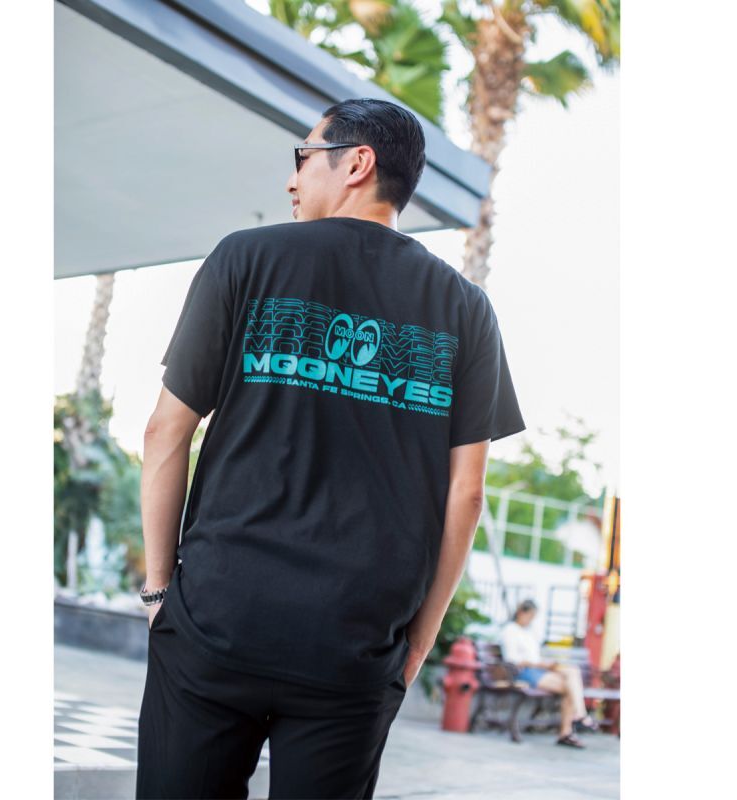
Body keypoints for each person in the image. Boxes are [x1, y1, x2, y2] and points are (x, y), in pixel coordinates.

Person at [136, 97, 526, 799]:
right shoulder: (465, 308)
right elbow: (466, 495)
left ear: (356, 163)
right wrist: (417, 643)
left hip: (219, 618)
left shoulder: (246, 259)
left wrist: (160, 590)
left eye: (303, 156)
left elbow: (166, 431)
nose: (291, 178)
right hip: (354, 646)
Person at [500, 599, 599, 749]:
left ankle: (578, 717)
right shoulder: (510, 630)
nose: (531, 620)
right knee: (571, 687)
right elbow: (512, 660)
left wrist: (546, 664)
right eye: (530, 616)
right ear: (521, 613)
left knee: (572, 673)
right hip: (523, 672)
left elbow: (535, 656)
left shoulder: (529, 632)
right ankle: (570, 727)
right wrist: (542, 664)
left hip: (537, 670)